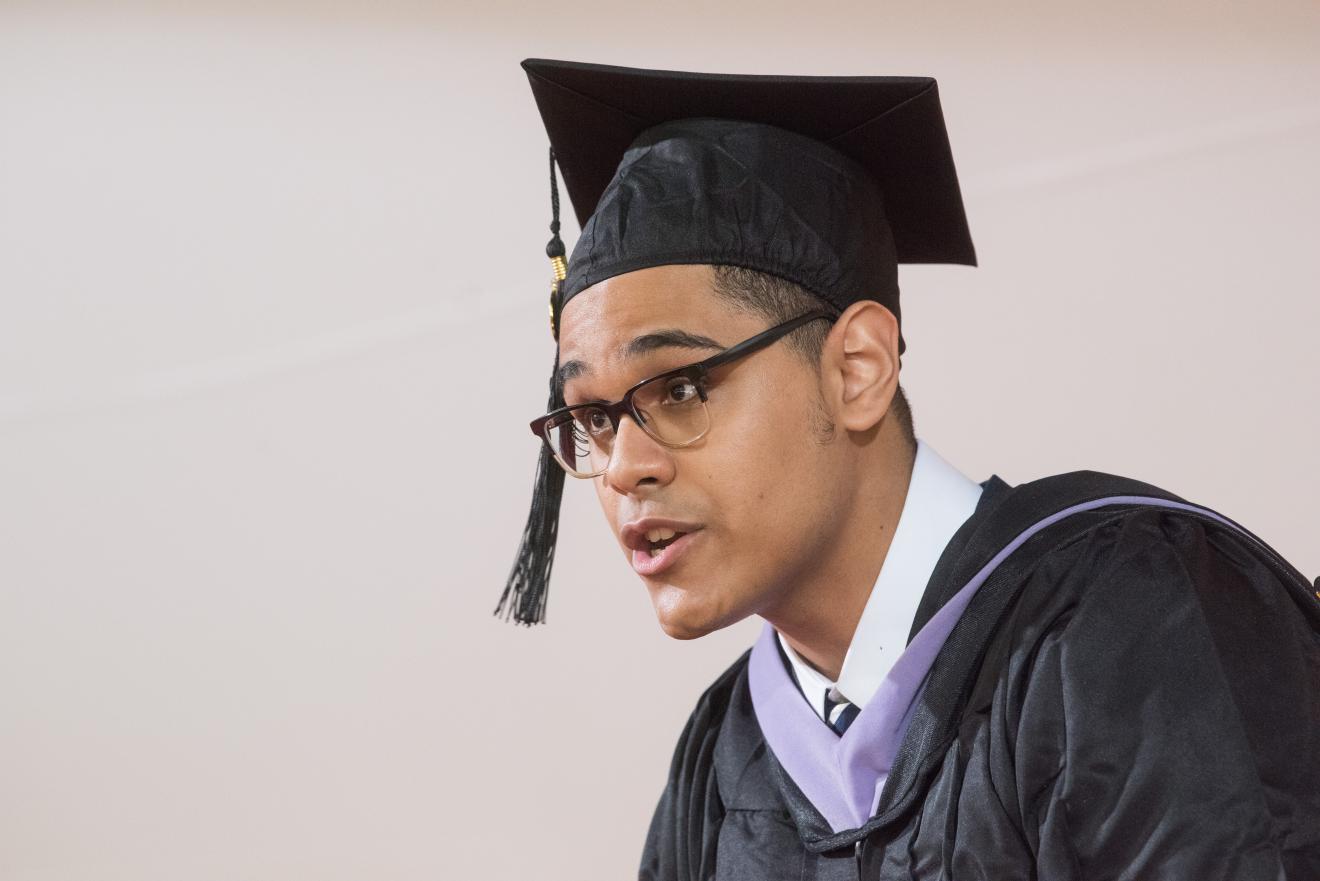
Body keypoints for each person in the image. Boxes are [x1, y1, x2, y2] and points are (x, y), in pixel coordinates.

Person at [498, 57, 1320, 880]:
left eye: (679, 387)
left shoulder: (1130, 620)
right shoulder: (723, 762)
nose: (622, 468)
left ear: (857, 368)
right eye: (594, 419)